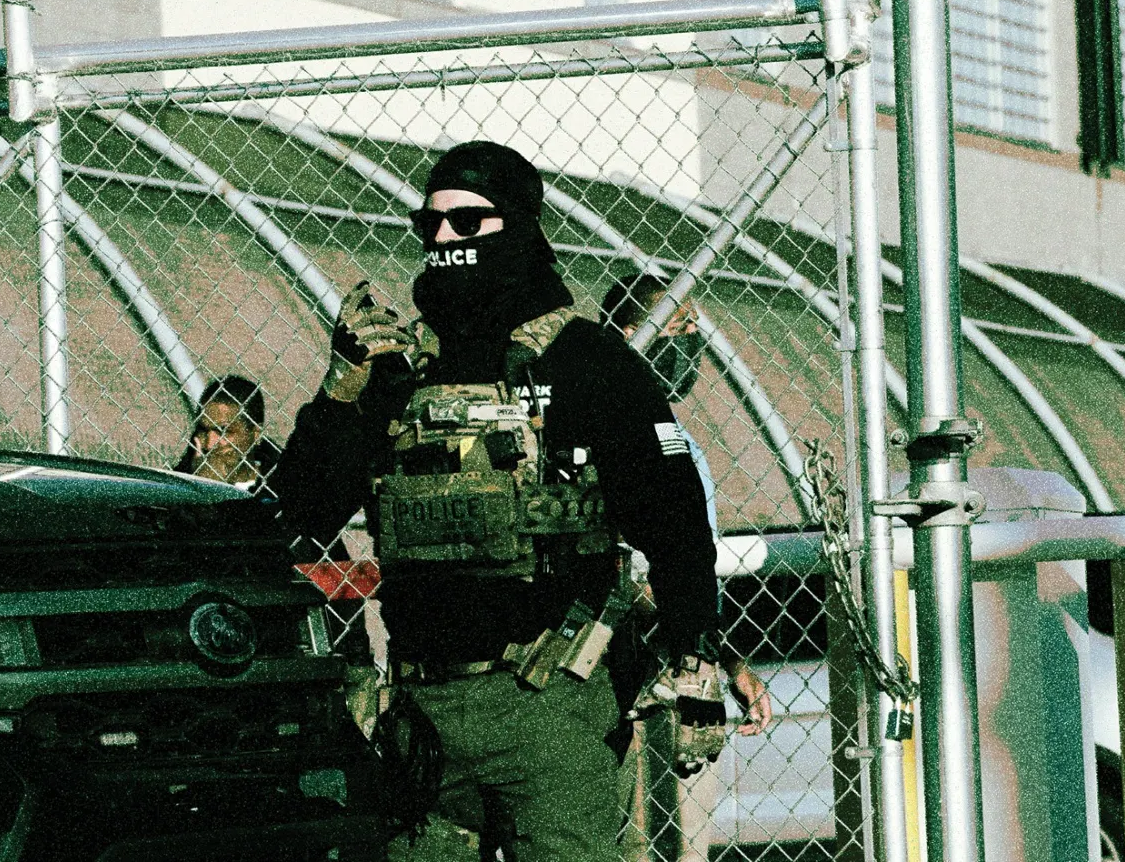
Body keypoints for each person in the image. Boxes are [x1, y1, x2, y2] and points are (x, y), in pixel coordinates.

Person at [273, 141, 724, 862]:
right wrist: (337, 395)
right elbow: (293, 520)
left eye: (468, 223)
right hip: (420, 719)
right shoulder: (392, 369)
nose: (444, 240)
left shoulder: (589, 362)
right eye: (431, 226)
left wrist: (697, 659)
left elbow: (675, 522)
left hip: (550, 704)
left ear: (516, 224)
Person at [602, 274, 775, 739]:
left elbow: (688, 568)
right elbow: (631, 571)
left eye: (695, 330)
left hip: (663, 659)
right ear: (629, 335)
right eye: (678, 329)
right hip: (608, 661)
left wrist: (718, 656)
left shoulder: (678, 438)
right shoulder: (609, 430)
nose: (691, 344)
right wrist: (703, 654)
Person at [175, 374, 282, 492]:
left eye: (223, 431)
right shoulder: (176, 485)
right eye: (203, 430)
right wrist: (198, 486)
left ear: (255, 434)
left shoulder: (285, 487)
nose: (209, 445)